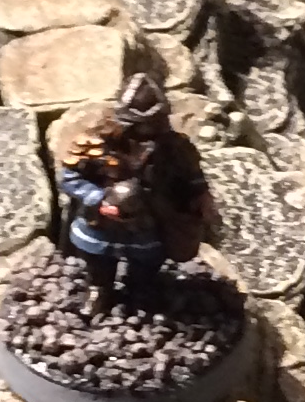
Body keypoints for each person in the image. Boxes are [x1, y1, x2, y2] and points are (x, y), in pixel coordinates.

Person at [51, 74, 214, 311]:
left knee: (146, 262)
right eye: (141, 124)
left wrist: (200, 195)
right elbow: (70, 177)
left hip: (151, 218)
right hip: (102, 220)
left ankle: (140, 290)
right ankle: (100, 289)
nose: (149, 130)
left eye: (155, 122)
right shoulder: (96, 143)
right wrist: (98, 199)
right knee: (98, 259)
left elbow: (191, 175)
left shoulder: (174, 147)